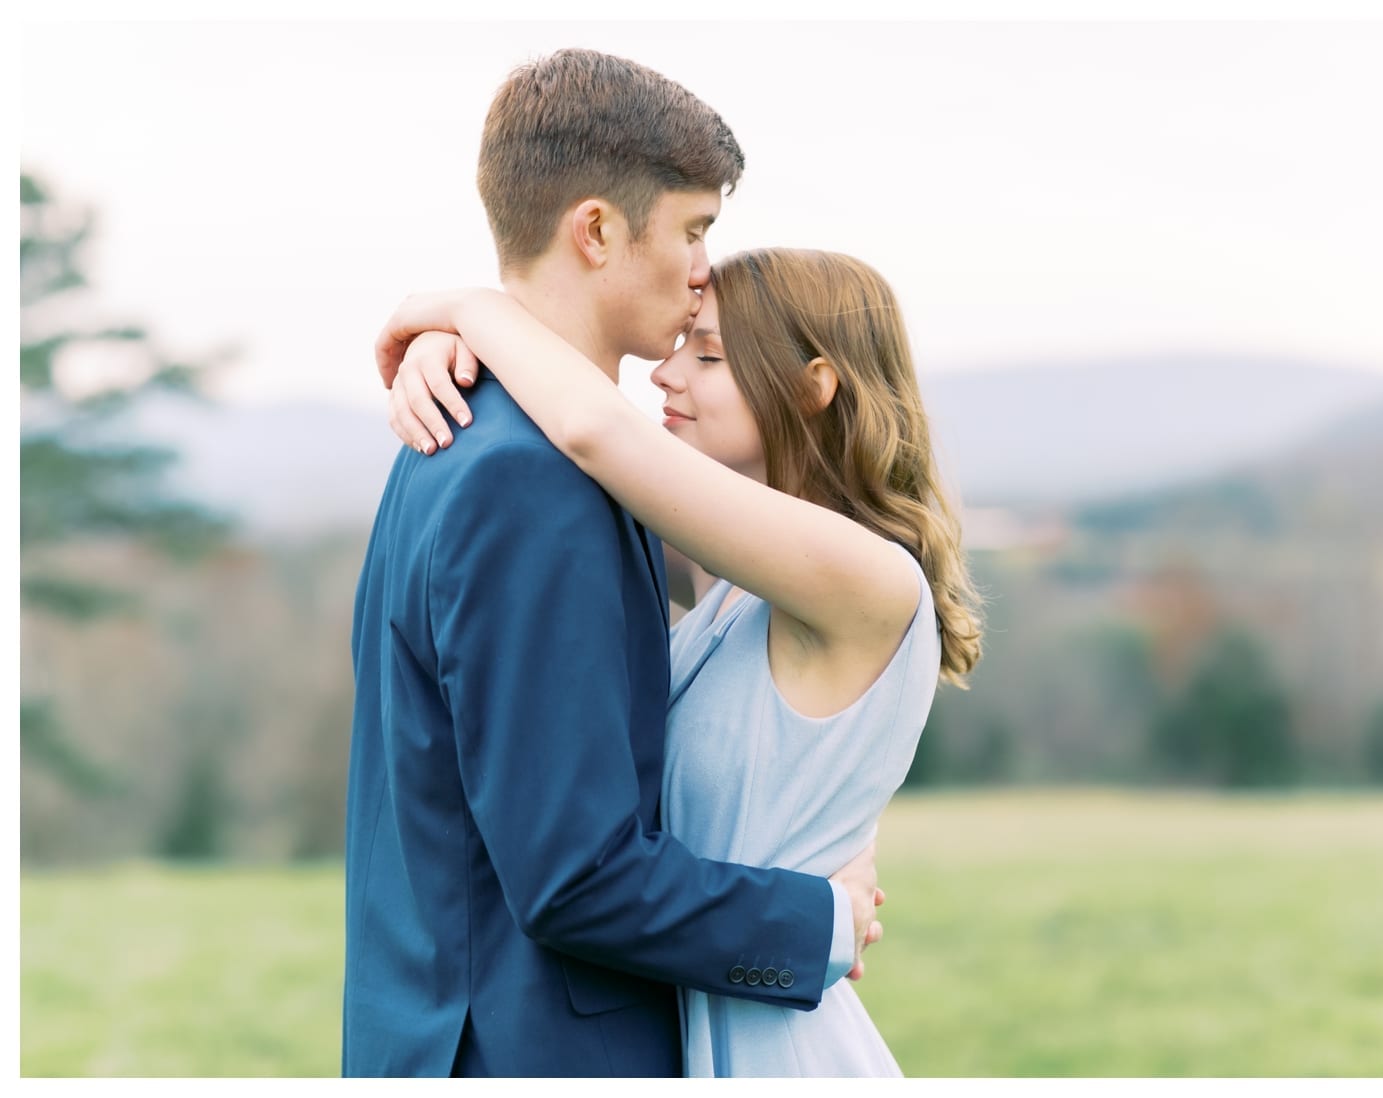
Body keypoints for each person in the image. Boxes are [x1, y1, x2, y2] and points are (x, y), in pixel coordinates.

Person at [344, 50, 884, 1079]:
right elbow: (576, 878)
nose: (702, 272)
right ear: (595, 230)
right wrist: (818, 919)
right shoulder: (527, 482)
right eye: (692, 231)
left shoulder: (473, 435)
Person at [373, 246, 984, 1075]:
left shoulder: (866, 579)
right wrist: (450, 356)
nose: (665, 375)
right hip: (693, 1026)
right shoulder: (728, 581)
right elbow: (548, 485)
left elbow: (592, 430)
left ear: (814, 386)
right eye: (680, 345)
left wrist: (467, 310)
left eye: (709, 355)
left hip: (778, 1048)